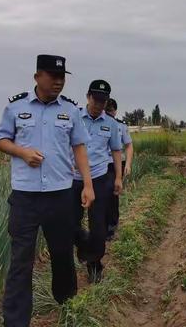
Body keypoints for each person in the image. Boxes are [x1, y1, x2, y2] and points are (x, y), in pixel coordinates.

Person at [0, 54, 94, 327]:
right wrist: (22, 152)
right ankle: (15, 321)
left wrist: (87, 183)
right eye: (52, 76)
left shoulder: (70, 110)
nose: (58, 82)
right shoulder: (16, 107)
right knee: (20, 262)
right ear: (37, 77)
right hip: (25, 198)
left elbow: (80, 147)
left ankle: (68, 307)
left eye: (62, 77)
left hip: (60, 195)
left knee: (62, 256)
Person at [71, 80, 122, 283]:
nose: (99, 104)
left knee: (99, 227)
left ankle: (94, 264)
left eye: (103, 101)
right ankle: (84, 243)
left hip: (100, 177)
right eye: (96, 99)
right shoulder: (74, 118)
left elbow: (116, 151)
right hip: (73, 178)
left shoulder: (110, 124)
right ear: (88, 97)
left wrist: (118, 177)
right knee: (70, 223)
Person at [105, 98, 134, 240]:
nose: (109, 114)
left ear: (115, 111)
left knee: (112, 194)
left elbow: (128, 145)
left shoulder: (120, 126)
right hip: (99, 164)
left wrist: (127, 164)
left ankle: (112, 226)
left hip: (115, 164)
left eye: (111, 111)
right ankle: (101, 225)